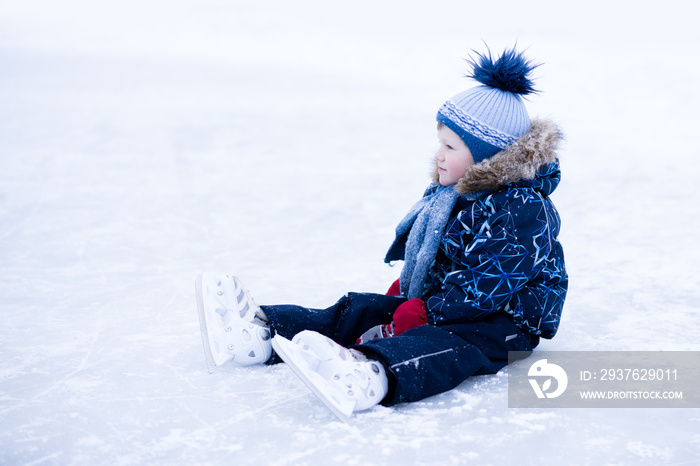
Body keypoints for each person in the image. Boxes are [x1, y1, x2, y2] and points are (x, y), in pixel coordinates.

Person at [195, 46, 568, 421]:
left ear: (489, 157)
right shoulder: (453, 194)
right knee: (364, 309)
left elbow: (489, 284)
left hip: (505, 322)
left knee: (448, 345)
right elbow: (439, 256)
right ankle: (262, 335)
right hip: (450, 301)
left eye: (450, 146)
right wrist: (413, 290)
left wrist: (428, 311)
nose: (438, 154)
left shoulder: (522, 208)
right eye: (440, 141)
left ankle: (370, 374)